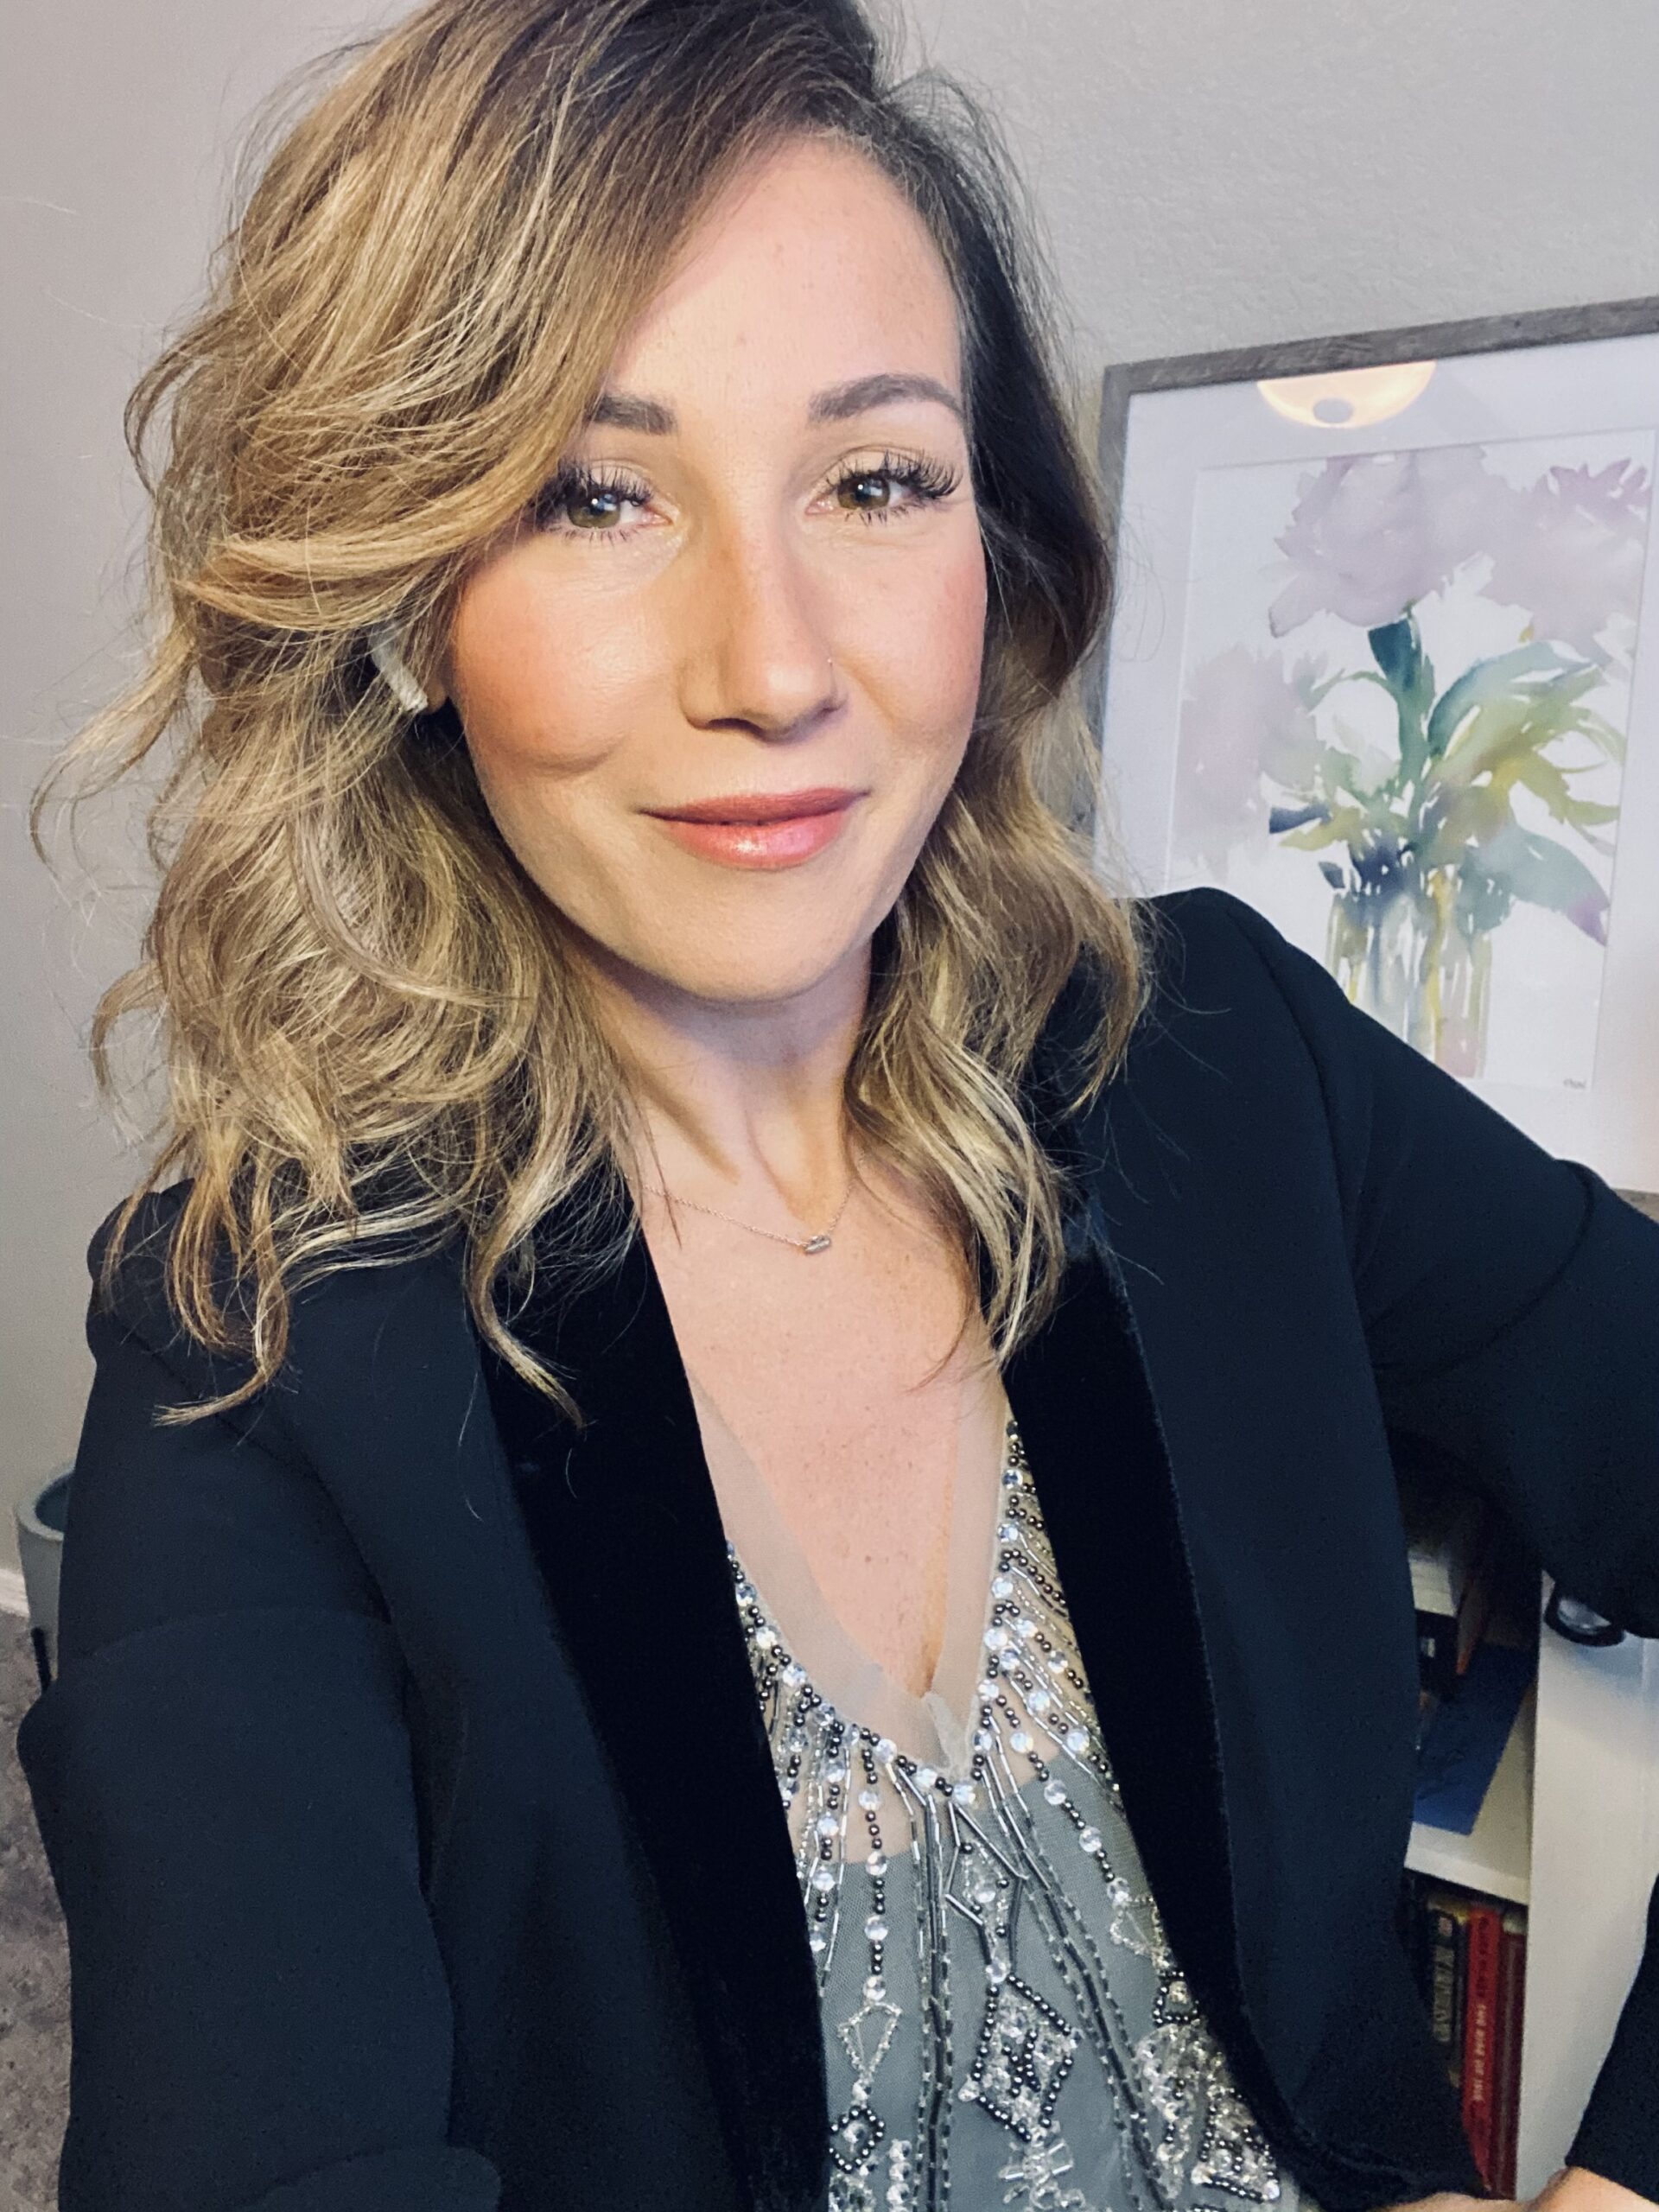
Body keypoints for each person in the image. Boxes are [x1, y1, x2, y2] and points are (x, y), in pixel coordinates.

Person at [16, 2, 1659, 2209]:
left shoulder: (1213, 1053)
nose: (774, 667)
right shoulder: (254, 1340)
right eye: (595, 493)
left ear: (1000, 543)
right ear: (405, 606)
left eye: (875, 479)